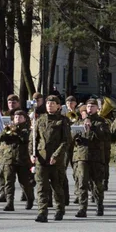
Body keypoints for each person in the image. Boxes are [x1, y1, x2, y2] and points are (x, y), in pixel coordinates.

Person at [30, 94, 69, 222]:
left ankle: (59, 209)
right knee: (41, 186)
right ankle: (42, 212)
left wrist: (56, 155)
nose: (49, 105)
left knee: (57, 186)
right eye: (47, 104)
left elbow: (66, 141)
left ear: (58, 106)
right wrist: (32, 153)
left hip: (55, 159)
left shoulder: (62, 121)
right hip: (41, 158)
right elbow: (33, 139)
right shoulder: (40, 119)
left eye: (52, 104)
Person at [72, 98, 108, 217]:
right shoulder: (79, 121)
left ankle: (99, 206)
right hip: (82, 156)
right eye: (88, 107)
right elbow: (70, 137)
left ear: (97, 108)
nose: (90, 109)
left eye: (92, 106)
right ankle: (82, 208)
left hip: (96, 157)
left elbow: (105, 136)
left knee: (97, 183)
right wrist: (78, 131)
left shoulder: (101, 122)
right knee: (82, 183)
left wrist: (92, 128)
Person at [0, 109, 34, 212]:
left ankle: (30, 198)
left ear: (24, 119)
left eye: (20, 117)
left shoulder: (27, 130)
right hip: (9, 159)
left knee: (24, 182)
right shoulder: (9, 128)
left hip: (23, 160)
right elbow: (0, 137)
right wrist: (6, 131)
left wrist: (17, 131)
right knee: (9, 182)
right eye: (16, 117)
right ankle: (10, 203)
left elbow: (25, 139)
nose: (17, 119)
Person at [0, 95, 24, 203]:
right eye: (9, 102)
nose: (11, 104)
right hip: (5, 147)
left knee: (23, 175)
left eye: (14, 102)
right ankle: (3, 193)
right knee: (3, 173)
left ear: (18, 103)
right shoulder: (4, 114)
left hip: (19, 149)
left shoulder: (22, 114)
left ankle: (25, 193)